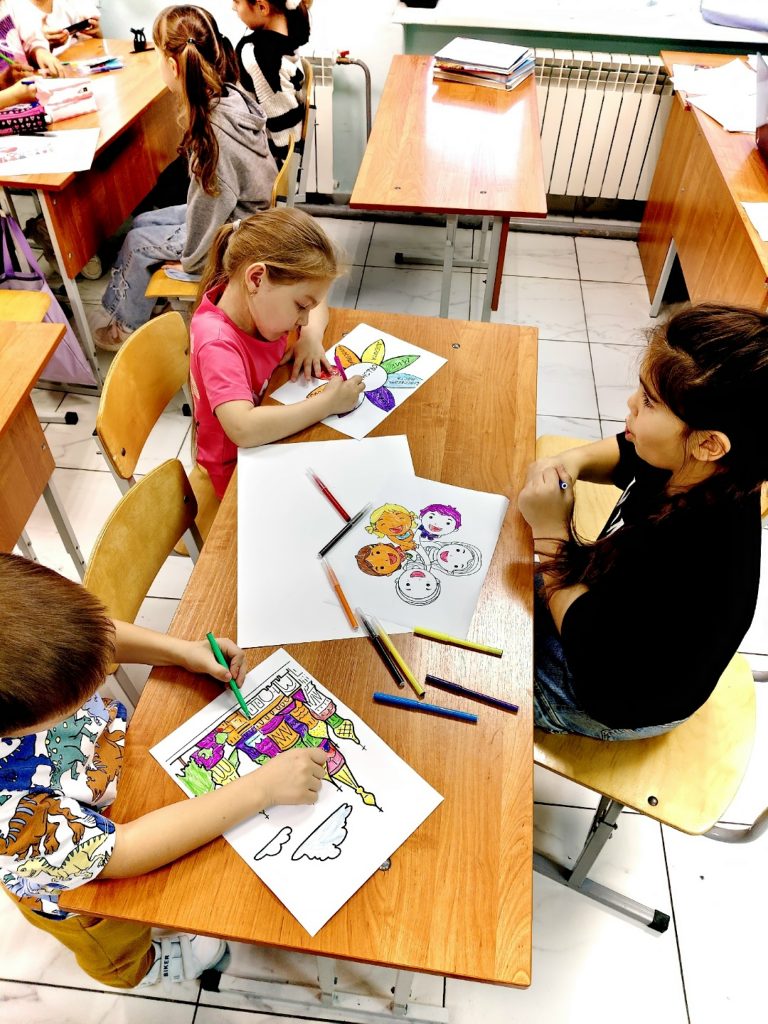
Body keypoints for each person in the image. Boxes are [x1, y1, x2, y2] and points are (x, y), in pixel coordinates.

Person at [0, 553, 328, 989]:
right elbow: (122, 853)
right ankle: (146, 967)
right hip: (75, 876)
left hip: (112, 777)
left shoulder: (33, 640)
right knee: (115, 944)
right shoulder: (9, 811)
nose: (101, 680)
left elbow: (99, 637)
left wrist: (182, 652)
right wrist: (262, 789)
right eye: (82, 693)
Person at [519, 303, 767, 741]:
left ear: (709, 444)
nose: (631, 404)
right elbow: (628, 450)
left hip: (603, 693)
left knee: (476, 667)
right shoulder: (702, 467)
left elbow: (589, 649)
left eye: (649, 401)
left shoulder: (693, 549)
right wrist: (571, 462)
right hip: (607, 625)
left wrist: (550, 534)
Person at [96, 4, 277, 351]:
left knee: (136, 242)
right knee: (143, 222)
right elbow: (210, 204)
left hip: (235, 238)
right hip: (246, 215)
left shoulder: (213, 139)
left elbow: (209, 214)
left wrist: (191, 262)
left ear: (172, 65)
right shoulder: (229, 94)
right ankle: (146, 304)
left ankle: (125, 327)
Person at [189, 206, 364, 501]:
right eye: (300, 307)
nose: (304, 319)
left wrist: (310, 337)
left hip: (269, 443)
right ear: (257, 278)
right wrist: (327, 403)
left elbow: (318, 303)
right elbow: (243, 428)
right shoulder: (217, 342)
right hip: (235, 475)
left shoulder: (256, 303)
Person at [232, 0, 310, 165]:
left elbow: (287, 139)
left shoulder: (261, 59)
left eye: (237, 2)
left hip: (258, 163)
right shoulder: (285, 43)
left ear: (262, 7)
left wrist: (285, 178)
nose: (233, 7)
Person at [0, 0, 64, 75]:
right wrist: (4, 80)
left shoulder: (10, 4)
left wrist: (40, 52)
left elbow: (30, 40)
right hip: (15, 81)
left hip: (29, 77)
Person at [24, 0, 101, 54]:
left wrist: (96, 32)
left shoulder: (70, 4)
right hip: (49, 67)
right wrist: (44, 45)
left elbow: (98, 37)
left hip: (79, 60)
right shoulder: (20, 11)